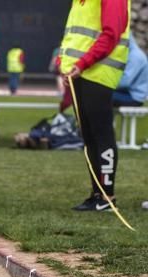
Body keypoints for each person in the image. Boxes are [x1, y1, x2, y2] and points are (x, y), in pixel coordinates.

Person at [59, 0, 129, 212]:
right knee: (88, 135)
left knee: (101, 133)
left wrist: (81, 64)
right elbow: (74, 35)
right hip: (80, 71)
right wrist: (64, 64)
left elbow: (111, 34)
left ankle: (107, 196)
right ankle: (97, 194)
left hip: (98, 71)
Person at [113, 37, 147, 107]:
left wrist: (107, 84)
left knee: (102, 95)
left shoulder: (135, 57)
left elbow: (125, 82)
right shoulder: (132, 53)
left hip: (134, 98)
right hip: (128, 92)